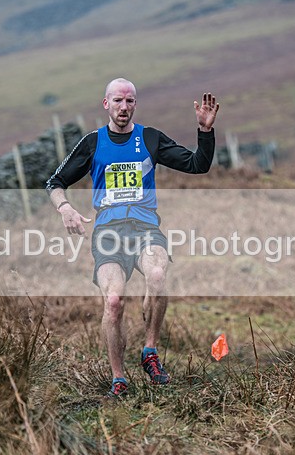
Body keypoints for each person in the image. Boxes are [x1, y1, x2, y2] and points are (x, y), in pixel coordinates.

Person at [46, 78, 220, 398]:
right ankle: (118, 377)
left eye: (129, 101)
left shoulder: (150, 139)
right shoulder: (92, 143)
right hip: (108, 235)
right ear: (106, 104)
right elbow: (55, 183)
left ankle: (149, 351)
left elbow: (198, 165)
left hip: (144, 229)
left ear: (135, 105)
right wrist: (65, 208)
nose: (123, 107)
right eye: (117, 101)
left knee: (157, 275)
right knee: (113, 302)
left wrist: (205, 132)